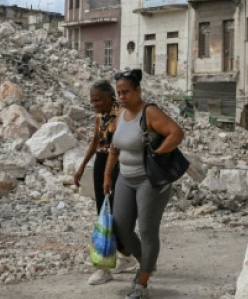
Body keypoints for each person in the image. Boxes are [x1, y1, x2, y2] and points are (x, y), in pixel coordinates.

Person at [103, 69, 185, 299]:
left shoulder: (149, 112)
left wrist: (158, 154)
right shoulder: (121, 114)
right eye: (119, 93)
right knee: (121, 228)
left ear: (138, 90)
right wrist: (108, 175)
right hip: (125, 179)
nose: (122, 97)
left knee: (148, 231)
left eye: (126, 92)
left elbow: (176, 133)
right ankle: (146, 263)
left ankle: (142, 282)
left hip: (150, 181)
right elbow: (114, 147)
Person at [74, 80, 137, 285]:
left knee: (113, 216)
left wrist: (109, 173)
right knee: (103, 212)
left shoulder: (122, 114)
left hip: (118, 165)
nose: (94, 104)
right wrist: (83, 165)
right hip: (101, 163)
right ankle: (126, 256)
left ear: (110, 97)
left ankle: (105, 266)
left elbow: (119, 145)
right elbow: (95, 140)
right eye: (92, 100)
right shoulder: (100, 114)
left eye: (98, 100)